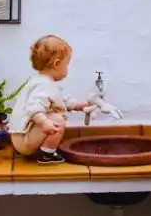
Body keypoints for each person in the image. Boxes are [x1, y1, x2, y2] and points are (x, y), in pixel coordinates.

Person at [6, 34, 91, 165]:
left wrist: (79, 105)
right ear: (57, 64)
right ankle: (47, 154)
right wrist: (44, 122)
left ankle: (40, 149)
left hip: (20, 136)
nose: (67, 68)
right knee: (57, 119)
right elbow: (34, 108)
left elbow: (61, 100)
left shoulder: (39, 81)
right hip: (25, 139)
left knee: (54, 116)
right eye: (66, 64)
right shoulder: (45, 85)